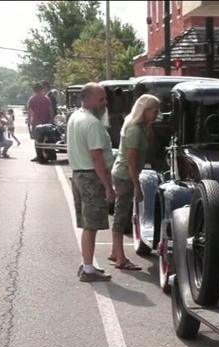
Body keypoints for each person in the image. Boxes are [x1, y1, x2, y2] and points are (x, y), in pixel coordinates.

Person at [67, 83, 114, 282]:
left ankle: (88, 264)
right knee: (91, 225)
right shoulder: (92, 123)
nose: (104, 102)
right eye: (101, 99)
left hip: (79, 173)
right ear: (87, 99)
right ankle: (87, 269)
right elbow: (96, 157)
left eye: (104, 98)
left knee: (89, 224)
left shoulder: (75, 117)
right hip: (90, 176)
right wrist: (107, 186)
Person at [109, 94, 159, 271]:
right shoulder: (135, 130)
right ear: (144, 111)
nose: (157, 114)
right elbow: (131, 161)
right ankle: (120, 258)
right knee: (121, 216)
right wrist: (138, 187)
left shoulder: (137, 126)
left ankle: (115, 252)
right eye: (154, 111)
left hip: (123, 173)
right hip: (125, 175)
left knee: (120, 213)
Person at [27, 83, 52, 163]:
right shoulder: (46, 98)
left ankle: (39, 156)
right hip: (46, 122)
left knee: (37, 140)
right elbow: (50, 110)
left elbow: (29, 111)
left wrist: (29, 121)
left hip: (36, 122)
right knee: (46, 139)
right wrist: (51, 120)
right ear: (41, 90)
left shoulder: (32, 99)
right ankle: (47, 155)